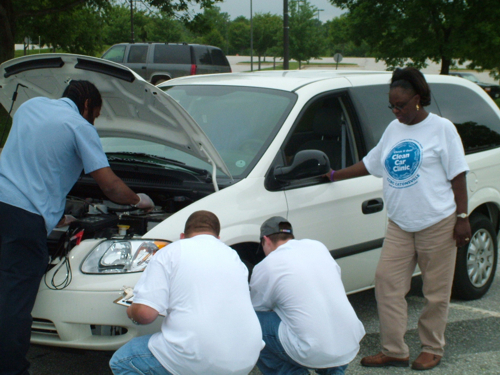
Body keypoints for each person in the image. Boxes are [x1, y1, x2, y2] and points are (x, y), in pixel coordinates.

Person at [0, 80, 154, 375]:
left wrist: (56, 215)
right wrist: (138, 201)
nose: (94, 120)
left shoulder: (29, 107)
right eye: (95, 114)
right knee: (15, 303)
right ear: (87, 106)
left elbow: (31, 162)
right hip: (23, 221)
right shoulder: (80, 127)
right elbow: (109, 186)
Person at [326, 67, 470, 370]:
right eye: (391, 105)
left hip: (438, 222)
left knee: (435, 291)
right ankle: (394, 350)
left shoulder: (441, 129)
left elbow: (458, 176)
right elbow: (370, 164)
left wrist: (462, 217)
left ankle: (432, 347)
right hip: (400, 225)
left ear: (417, 99)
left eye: (401, 105)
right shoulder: (394, 130)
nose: (396, 111)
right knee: (386, 283)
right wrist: (334, 175)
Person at [109, 210, 263, 375]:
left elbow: (145, 315)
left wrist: (132, 310)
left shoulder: (171, 252)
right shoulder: (234, 257)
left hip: (200, 358)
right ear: (218, 239)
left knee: (122, 361)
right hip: (246, 358)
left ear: (182, 236)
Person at [249, 216, 365, 375]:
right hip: (349, 342)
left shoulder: (266, 265)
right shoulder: (317, 246)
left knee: (252, 322)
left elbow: (259, 306)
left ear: (266, 240)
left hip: (313, 350)